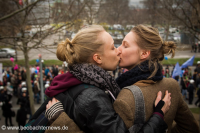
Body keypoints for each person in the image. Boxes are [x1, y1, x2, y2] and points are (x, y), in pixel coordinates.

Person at [43, 25, 171, 133]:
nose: (118, 51)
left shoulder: (81, 80)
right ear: (98, 58)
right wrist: (158, 116)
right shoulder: (93, 97)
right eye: (113, 47)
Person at [114, 25, 198, 132]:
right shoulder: (172, 85)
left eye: (125, 46)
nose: (118, 50)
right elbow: (191, 128)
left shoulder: (125, 97)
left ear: (144, 53)